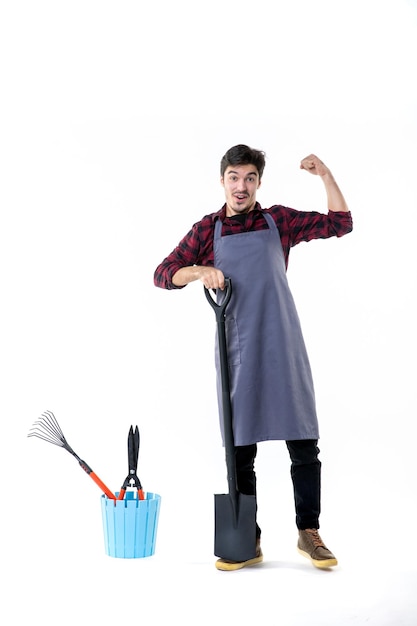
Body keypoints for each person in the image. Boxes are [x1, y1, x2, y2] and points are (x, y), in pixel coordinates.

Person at [154, 144, 352, 571]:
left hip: (283, 342)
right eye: (233, 177)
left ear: (258, 182)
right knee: (240, 449)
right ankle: (248, 536)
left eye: (249, 179)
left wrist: (326, 175)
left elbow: (341, 223)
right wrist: (197, 271)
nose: (240, 187)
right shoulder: (207, 230)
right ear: (222, 179)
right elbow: (163, 273)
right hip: (237, 347)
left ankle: (308, 531)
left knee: (303, 442)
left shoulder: (277, 220)